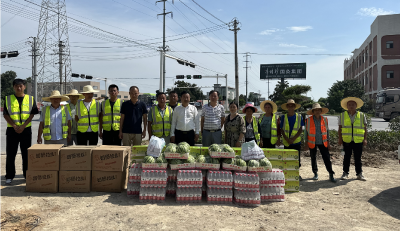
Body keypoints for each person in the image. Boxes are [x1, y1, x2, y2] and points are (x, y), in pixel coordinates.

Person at [3, 79, 38, 184]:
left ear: (24, 87)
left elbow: (32, 114)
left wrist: (23, 126)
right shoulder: (8, 99)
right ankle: (9, 176)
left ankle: (26, 175)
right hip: (12, 130)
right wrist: (14, 125)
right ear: (13, 87)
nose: (19, 88)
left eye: (21, 86)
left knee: (26, 154)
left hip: (26, 130)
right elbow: (5, 114)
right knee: (10, 154)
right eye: (16, 86)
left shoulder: (31, 99)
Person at [304, 103, 336, 183]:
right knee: (313, 158)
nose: (317, 111)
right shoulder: (308, 120)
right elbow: (306, 132)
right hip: (312, 142)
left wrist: (328, 142)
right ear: (313, 111)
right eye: (315, 110)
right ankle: (315, 173)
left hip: (323, 141)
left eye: (318, 110)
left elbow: (327, 131)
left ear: (321, 111)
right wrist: (306, 143)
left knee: (326, 158)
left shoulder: (325, 119)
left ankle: (331, 173)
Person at [338, 97, 368, 181]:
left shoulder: (362, 115)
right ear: (347, 106)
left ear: (356, 106)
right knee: (346, 157)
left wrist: (365, 139)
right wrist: (340, 139)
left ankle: (359, 174)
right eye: (349, 105)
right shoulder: (342, 115)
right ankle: (345, 173)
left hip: (358, 140)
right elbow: (340, 128)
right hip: (346, 140)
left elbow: (365, 128)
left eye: (353, 105)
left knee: (358, 158)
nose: (351, 106)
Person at [280, 99, 304, 180]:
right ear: (287, 107)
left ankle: (296, 173)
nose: (290, 107)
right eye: (289, 106)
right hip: (287, 142)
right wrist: (287, 139)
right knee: (287, 159)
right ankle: (288, 174)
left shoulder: (299, 116)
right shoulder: (283, 117)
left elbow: (301, 129)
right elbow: (281, 129)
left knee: (297, 159)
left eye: (292, 106)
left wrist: (293, 138)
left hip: (296, 142)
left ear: (294, 107)